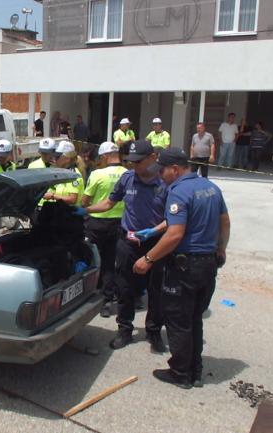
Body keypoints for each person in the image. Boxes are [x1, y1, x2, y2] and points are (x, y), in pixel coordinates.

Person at [132, 147, 230, 389]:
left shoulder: (177, 191)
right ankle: (195, 370)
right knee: (195, 318)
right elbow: (224, 222)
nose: (160, 175)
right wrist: (221, 249)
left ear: (175, 169)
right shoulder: (209, 187)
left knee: (178, 321)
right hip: (208, 264)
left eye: (162, 170)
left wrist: (148, 258)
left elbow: (175, 234)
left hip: (185, 267)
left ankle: (180, 373)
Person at [79, 140, 167, 353]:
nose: (134, 166)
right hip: (128, 241)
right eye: (131, 162)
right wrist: (87, 210)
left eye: (138, 162)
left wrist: (154, 231)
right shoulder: (127, 179)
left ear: (153, 158)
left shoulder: (165, 183)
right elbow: (109, 203)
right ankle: (125, 330)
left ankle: (153, 332)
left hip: (155, 243)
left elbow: (173, 219)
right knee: (125, 286)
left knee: (156, 289)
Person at [82, 142, 127, 318]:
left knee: (92, 258)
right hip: (120, 223)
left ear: (104, 157)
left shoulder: (97, 174)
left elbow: (86, 200)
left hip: (97, 224)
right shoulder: (127, 174)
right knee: (111, 262)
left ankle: (91, 293)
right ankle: (107, 300)